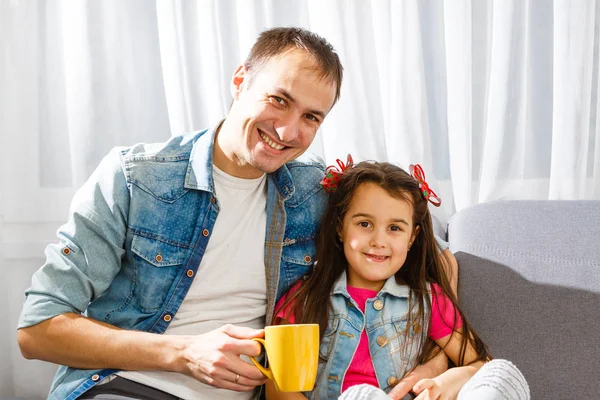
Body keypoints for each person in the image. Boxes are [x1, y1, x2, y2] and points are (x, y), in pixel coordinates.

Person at [16, 27, 453, 400]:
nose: (288, 131)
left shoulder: (315, 191)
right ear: (240, 80)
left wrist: (436, 367)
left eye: (311, 117)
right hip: (125, 386)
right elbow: (37, 330)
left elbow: (431, 259)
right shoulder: (135, 177)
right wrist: (183, 354)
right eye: (279, 100)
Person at [266, 160, 530, 400]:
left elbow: (478, 364)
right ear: (339, 227)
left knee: (502, 373)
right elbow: (278, 388)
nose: (379, 241)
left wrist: (447, 380)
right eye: (364, 224)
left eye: (394, 228)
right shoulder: (306, 298)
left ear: (412, 237)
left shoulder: (428, 299)